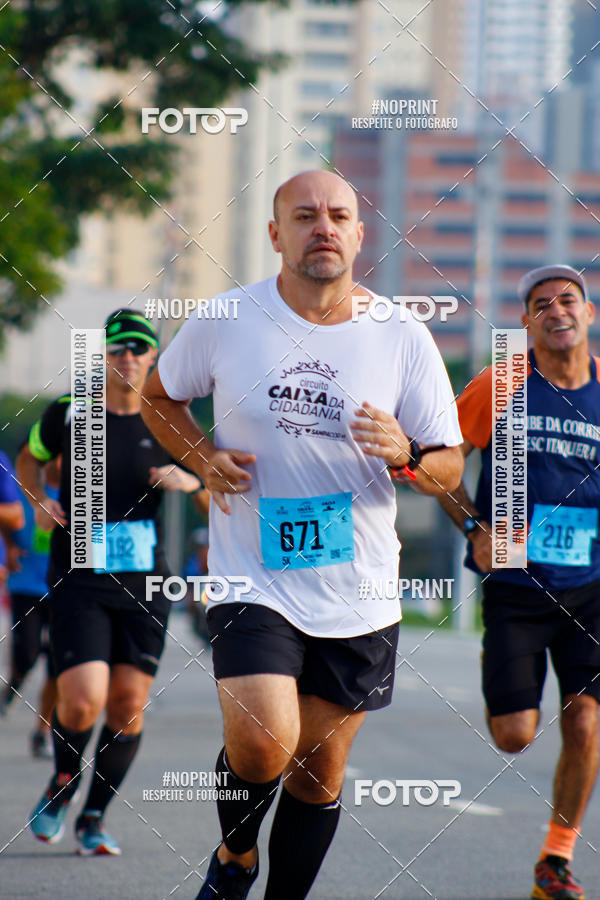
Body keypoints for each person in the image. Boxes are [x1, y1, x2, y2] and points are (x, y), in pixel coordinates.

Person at [141, 169, 464, 899]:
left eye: (338, 215)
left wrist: (408, 453)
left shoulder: (402, 335)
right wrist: (200, 454)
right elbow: (158, 396)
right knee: (261, 745)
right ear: (275, 233)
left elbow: (448, 466)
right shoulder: (227, 317)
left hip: (359, 586)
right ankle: (235, 857)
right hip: (252, 572)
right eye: (305, 215)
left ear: (358, 234)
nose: (323, 226)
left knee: (317, 769)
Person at [438, 265, 600, 900]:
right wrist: (474, 526)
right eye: (540, 305)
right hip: (517, 585)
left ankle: (555, 860)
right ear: (527, 324)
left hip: (591, 587)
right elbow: (438, 462)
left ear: (587, 313)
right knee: (515, 735)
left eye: (568, 300)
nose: (556, 310)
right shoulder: (503, 383)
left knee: (586, 722)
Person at [18, 310, 201, 856]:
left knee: (126, 706)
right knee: (82, 700)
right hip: (79, 576)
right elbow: (30, 461)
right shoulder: (70, 413)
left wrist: (188, 478)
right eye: (117, 348)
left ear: (152, 357)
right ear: (104, 355)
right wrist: (41, 504)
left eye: (137, 349)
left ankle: (94, 816)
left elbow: (216, 488)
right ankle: (60, 787)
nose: (126, 358)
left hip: (146, 584)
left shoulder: (169, 421)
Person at [1, 456, 61, 758]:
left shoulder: (81, 490)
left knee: (59, 663)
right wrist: (9, 546)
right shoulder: (24, 486)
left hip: (65, 587)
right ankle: (13, 685)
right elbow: (8, 518)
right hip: (26, 583)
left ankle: (42, 730)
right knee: (26, 651)